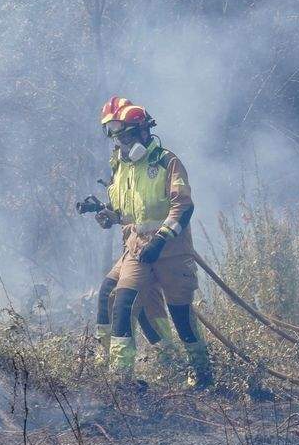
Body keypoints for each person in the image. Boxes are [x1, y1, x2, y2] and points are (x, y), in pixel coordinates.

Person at [89, 97, 214, 388]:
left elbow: (182, 206)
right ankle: (121, 378)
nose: (121, 142)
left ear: (144, 132)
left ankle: (202, 373)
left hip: (172, 251)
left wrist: (160, 240)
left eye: (127, 135)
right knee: (122, 302)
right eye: (116, 136)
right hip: (138, 250)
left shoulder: (166, 162)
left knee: (181, 315)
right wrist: (108, 215)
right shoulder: (121, 167)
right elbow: (127, 212)